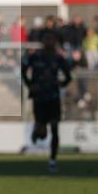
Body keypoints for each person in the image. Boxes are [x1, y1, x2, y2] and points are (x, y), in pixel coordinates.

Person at [21, 31, 72, 173]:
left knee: (55, 128)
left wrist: (62, 83)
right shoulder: (35, 57)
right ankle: (37, 131)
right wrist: (30, 84)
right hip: (39, 98)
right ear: (43, 42)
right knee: (42, 132)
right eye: (47, 40)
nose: (49, 42)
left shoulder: (58, 58)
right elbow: (23, 70)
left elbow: (68, 76)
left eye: (52, 40)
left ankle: (53, 160)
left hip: (53, 98)